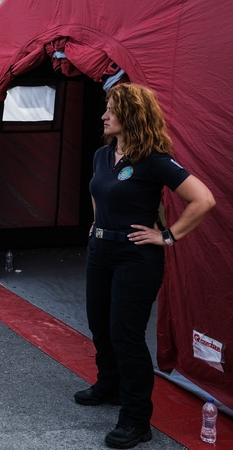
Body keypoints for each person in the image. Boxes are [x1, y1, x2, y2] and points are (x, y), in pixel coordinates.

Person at [77, 83, 215, 449]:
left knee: (126, 334)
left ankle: (137, 421)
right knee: (99, 323)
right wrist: (98, 223)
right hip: (100, 250)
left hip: (135, 258)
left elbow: (203, 199)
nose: (103, 115)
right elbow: (99, 193)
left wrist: (167, 236)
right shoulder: (102, 155)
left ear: (131, 116)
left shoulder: (155, 159)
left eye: (111, 110)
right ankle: (109, 386)